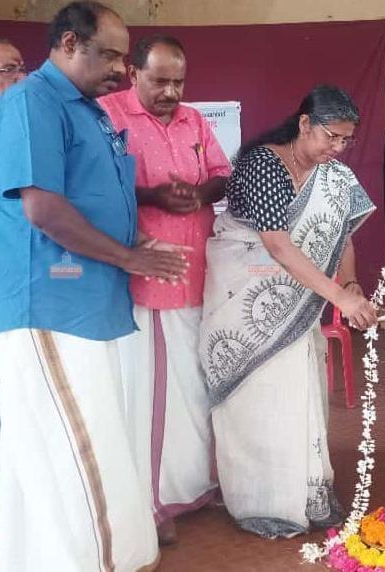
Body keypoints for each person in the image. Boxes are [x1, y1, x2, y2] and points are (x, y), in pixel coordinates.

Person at [0, 2, 191, 569]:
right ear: (70, 43)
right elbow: (44, 210)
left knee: (46, 461)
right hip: (47, 305)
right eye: (110, 55)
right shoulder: (32, 101)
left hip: (87, 307)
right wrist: (128, 256)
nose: (121, 69)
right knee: (81, 453)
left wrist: (138, 244)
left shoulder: (89, 110)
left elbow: (95, 200)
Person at [199, 85, 377, 538]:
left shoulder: (333, 176)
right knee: (261, 401)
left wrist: (350, 283)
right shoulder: (263, 164)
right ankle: (262, 501)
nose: (338, 148)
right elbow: (277, 246)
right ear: (304, 124)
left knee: (299, 396)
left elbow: (341, 235)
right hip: (246, 301)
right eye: (331, 137)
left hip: (298, 305)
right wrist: (340, 299)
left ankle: (308, 492)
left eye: (346, 140)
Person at [99, 34, 231, 545]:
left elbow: (221, 175)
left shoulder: (194, 121)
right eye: (160, 81)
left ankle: (192, 485)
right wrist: (152, 196)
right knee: (154, 396)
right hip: (147, 278)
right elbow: (94, 188)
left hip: (199, 273)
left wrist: (198, 193)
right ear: (134, 74)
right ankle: (152, 502)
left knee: (192, 389)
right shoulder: (108, 115)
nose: (171, 92)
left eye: (179, 82)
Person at [0, 33, 27, 567]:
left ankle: (1, 502)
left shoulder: (16, 125)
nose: (19, 78)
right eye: (8, 70)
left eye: (21, 68)